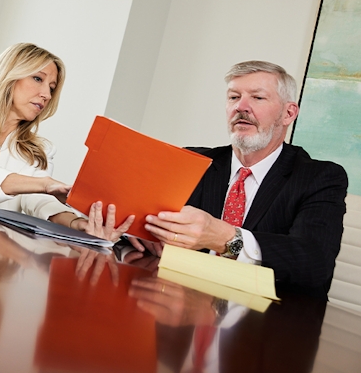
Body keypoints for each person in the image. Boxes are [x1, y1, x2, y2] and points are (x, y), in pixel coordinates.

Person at [144, 60, 347, 298]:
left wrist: (227, 239)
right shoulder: (191, 161)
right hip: (183, 304)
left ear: (288, 113)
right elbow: (144, 225)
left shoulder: (319, 177)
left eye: (257, 98)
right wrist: (123, 233)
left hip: (269, 322)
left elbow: (314, 263)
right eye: (233, 97)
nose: (241, 107)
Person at [0, 43, 134, 242]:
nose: (47, 94)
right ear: (10, 75)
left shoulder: (40, 150)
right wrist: (45, 184)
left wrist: (78, 224)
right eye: (38, 79)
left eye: (52, 87)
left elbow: (37, 202)